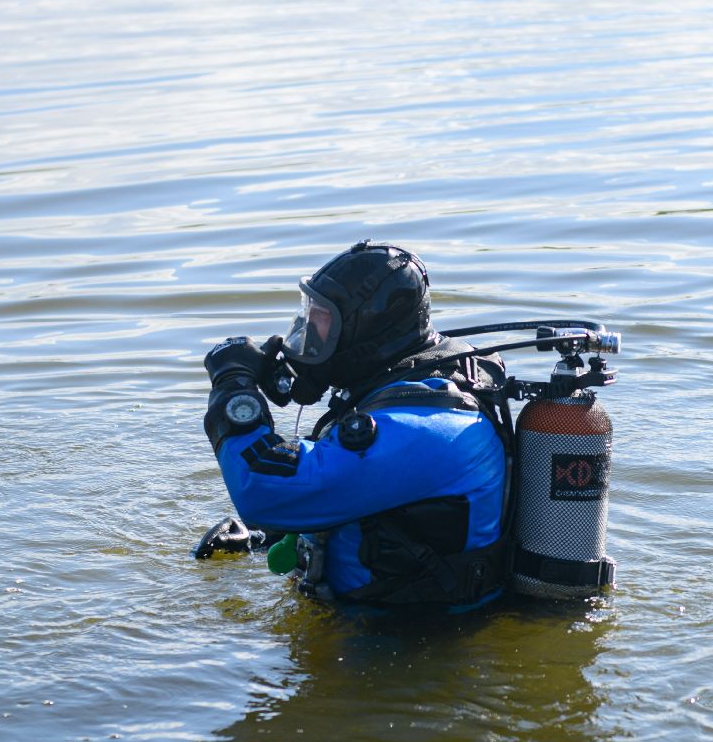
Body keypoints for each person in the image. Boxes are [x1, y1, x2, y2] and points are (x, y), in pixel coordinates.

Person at [197, 240, 511, 609]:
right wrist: (264, 536)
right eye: (307, 313)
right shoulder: (405, 379)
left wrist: (234, 387)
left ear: (368, 329)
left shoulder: (423, 429)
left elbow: (262, 487)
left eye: (321, 320)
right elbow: (375, 496)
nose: (306, 333)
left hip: (409, 644)